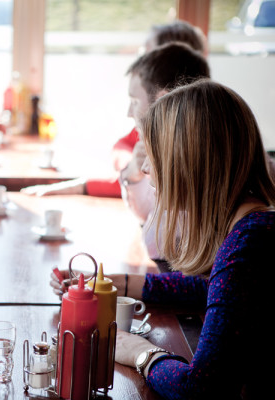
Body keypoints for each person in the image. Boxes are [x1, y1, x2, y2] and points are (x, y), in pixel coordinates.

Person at [114, 80, 274, 399]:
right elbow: (218, 288)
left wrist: (141, 353)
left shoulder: (248, 243)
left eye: (153, 154)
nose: (145, 168)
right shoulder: (253, 227)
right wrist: (128, 284)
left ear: (187, 161)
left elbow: (201, 389)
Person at [21, 20, 207, 198]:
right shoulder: (156, 121)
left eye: (148, 52)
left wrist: (134, 169)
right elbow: (121, 147)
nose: (142, 59)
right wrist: (134, 165)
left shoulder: (193, 137)